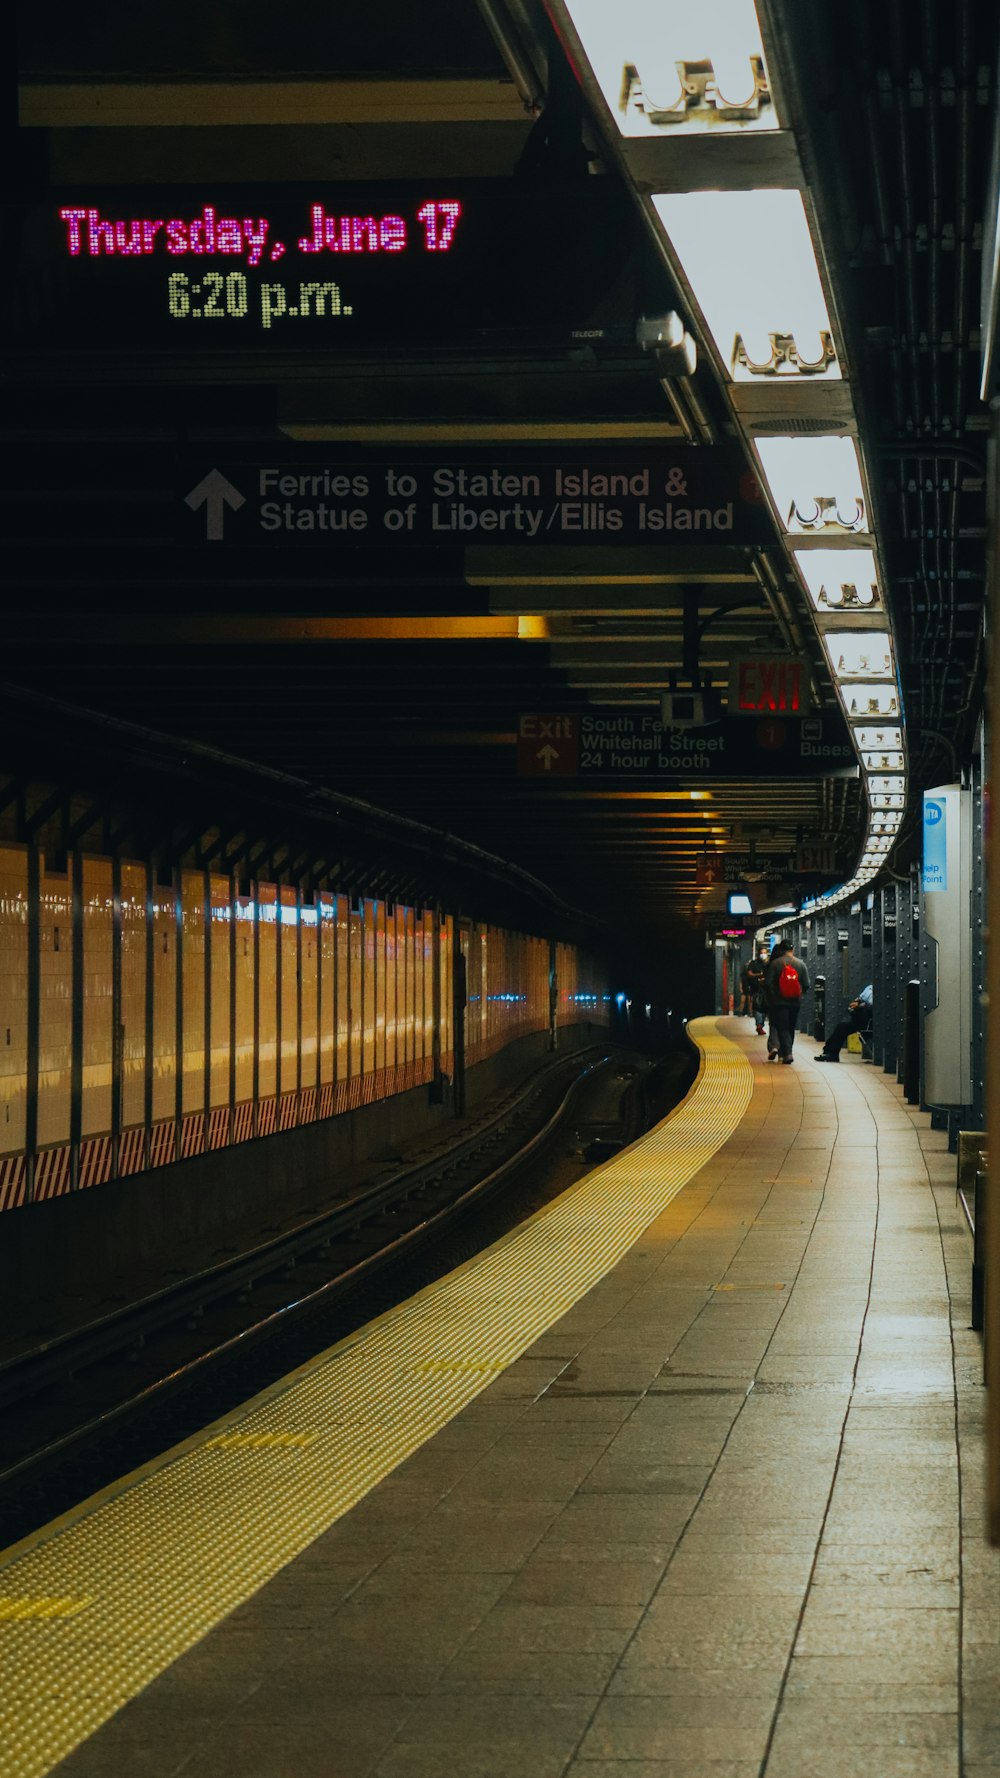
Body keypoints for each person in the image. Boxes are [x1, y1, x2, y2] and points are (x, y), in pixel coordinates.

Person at [763, 939, 810, 1064]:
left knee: (782, 1027)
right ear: (792, 949)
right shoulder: (800, 964)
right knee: (790, 1027)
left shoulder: (775, 964)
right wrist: (800, 995)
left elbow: (768, 983)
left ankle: (787, 1054)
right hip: (795, 1002)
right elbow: (806, 984)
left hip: (779, 1002)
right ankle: (787, 1052)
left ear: (781, 950)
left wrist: (773, 997)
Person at [814, 984, 872, 1062]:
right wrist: (856, 1003)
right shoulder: (869, 988)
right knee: (841, 1026)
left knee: (843, 1027)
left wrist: (860, 1006)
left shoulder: (878, 991)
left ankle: (831, 1053)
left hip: (868, 1020)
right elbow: (859, 998)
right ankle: (829, 1051)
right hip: (859, 1017)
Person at [740, 949, 769, 1033]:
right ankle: (759, 1025)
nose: (763, 955)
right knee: (758, 1006)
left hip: (767, 989)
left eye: (765, 953)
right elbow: (749, 974)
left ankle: (761, 1023)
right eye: (761, 953)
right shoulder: (754, 963)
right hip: (756, 989)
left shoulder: (769, 964)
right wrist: (759, 975)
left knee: (764, 1006)